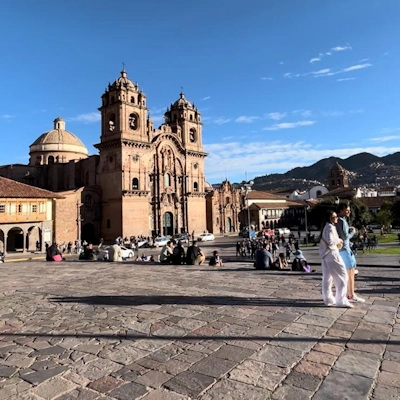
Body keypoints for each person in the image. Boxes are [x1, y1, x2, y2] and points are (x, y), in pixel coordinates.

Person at [319, 210, 353, 308]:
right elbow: (330, 241)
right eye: (335, 217)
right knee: (343, 276)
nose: (336, 218)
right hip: (332, 254)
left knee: (327, 278)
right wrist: (339, 240)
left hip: (326, 255)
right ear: (330, 218)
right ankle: (341, 300)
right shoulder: (329, 227)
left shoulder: (326, 227)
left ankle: (328, 299)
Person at [336, 202, 364, 303]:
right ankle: (351, 295)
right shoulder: (342, 221)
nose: (349, 211)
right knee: (350, 273)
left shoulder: (338, 221)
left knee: (349, 273)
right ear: (341, 210)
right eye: (347, 209)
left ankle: (350, 293)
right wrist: (353, 232)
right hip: (345, 250)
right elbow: (345, 237)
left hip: (342, 250)